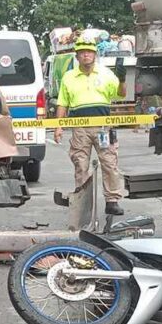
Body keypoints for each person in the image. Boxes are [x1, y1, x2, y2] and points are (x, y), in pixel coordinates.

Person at [53, 35, 125, 215]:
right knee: (80, 164)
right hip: (80, 129)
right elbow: (63, 103)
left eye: (89, 52)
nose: (86, 55)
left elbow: (121, 94)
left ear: (95, 55)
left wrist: (122, 79)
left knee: (109, 163)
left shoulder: (106, 73)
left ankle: (112, 200)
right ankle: (82, 201)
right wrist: (58, 126)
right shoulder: (69, 77)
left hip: (103, 127)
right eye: (82, 52)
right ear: (77, 56)